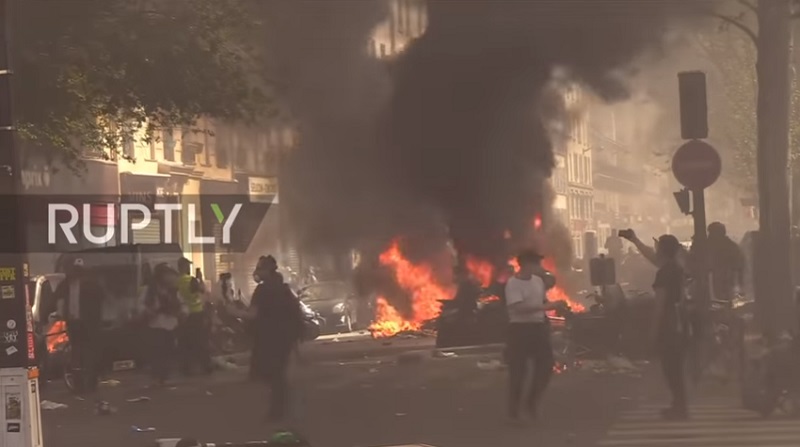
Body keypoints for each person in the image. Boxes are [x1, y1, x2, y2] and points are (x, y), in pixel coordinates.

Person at [229, 255, 304, 422]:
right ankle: (282, 407)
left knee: (272, 374)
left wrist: (233, 312)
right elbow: (294, 312)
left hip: (268, 338)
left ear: (267, 271)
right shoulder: (283, 288)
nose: (257, 272)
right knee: (278, 373)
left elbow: (253, 314)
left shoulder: (263, 290)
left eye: (260, 269)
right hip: (284, 338)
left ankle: (278, 410)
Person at [504, 250, 566, 424]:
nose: (539, 268)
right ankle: (514, 412)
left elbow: (542, 302)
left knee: (546, 367)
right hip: (520, 330)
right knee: (519, 372)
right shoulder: (513, 284)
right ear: (526, 265)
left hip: (538, 329)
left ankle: (532, 401)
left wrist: (556, 305)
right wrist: (546, 307)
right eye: (536, 264)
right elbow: (518, 308)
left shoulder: (538, 282)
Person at [651, 234, 691, 420]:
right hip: (679, 323)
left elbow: (660, 304)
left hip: (669, 324)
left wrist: (654, 330)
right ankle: (679, 404)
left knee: (670, 367)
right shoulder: (676, 268)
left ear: (663, 250)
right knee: (676, 367)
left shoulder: (664, 273)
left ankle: (680, 406)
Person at [54, 258, 104, 393]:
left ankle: (91, 382)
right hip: (74, 323)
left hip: (89, 323)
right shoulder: (66, 284)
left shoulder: (91, 284)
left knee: (89, 352)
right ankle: (79, 383)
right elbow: (58, 299)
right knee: (77, 352)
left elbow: (100, 300)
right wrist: (60, 313)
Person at [141, 263, 183, 386]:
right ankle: (157, 375)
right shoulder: (149, 290)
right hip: (155, 325)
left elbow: (181, 304)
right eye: (166, 274)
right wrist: (151, 311)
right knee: (157, 352)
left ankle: (163, 376)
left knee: (168, 351)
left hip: (170, 325)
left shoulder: (173, 290)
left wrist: (181, 312)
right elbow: (141, 305)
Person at [176, 257, 212, 375]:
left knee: (185, 342)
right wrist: (200, 279)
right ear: (184, 267)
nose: (189, 267)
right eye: (188, 265)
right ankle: (206, 367)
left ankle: (186, 368)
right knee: (200, 341)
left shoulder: (176, 281)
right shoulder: (191, 280)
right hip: (196, 313)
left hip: (183, 315)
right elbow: (203, 290)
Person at [707, 222, 745, 303]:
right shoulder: (731, 247)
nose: (709, 236)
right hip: (721, 286)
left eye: (711, 233)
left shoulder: (730, 248)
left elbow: (739, 268)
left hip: (729, 285)